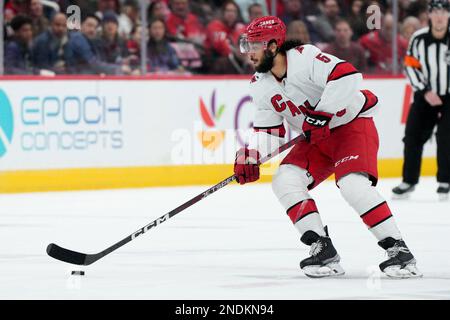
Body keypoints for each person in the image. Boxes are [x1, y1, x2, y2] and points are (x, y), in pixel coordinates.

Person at [235, 16, 422, 278]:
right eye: (247, 45)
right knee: (285, 180)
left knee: (352, 184)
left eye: (255, 45)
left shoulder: (305, 58)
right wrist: (251, 154)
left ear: (274, 46)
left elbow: (348, 76)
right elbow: (269, 131)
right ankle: (322, 248)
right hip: (317, 139)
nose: (249, 53)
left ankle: (399, 250)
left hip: (351, 126)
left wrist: (322, 112)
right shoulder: (259, 84)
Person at [393, 0, 450, 200]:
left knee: (446, 137)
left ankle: (445, 181)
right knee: (412, 136)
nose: (440, 16)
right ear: (429, 15)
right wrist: (425, 91)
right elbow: (410, 65)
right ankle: (408, 181)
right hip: (425, 95)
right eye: (436, 12)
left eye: (444, 12)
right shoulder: (418, 38)